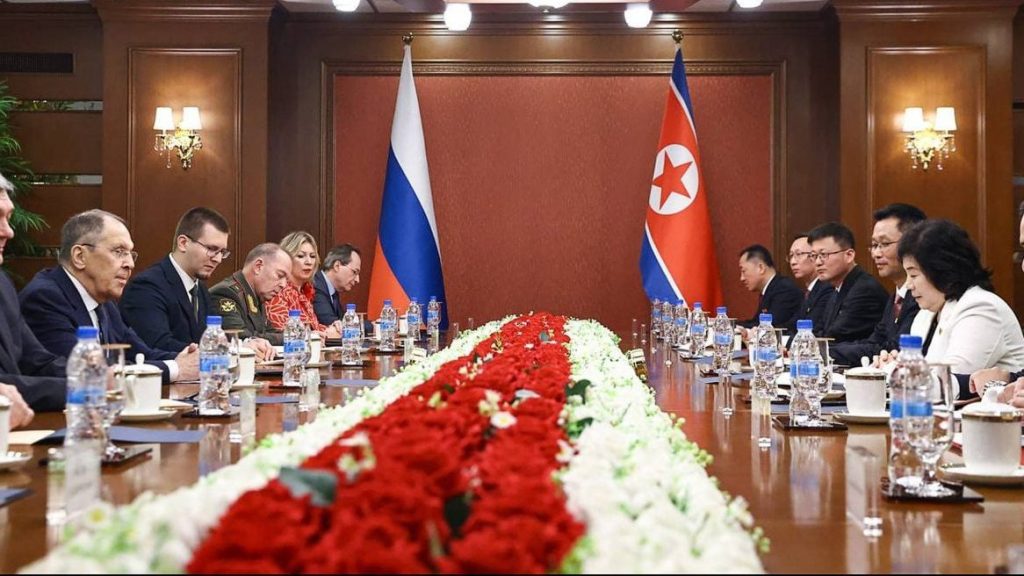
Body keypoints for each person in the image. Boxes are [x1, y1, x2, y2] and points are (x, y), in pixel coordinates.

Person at [19, 210, 199, 384]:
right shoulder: (45, 298)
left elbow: (141, 354)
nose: (130, 264)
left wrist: (186, 359)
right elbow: (87, 372)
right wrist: (175, 368)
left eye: (130, 254)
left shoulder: (104, 301)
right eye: (119, 251)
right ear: (80, 256)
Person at [119, 208, 275, 361]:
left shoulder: (199, 288)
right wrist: (233, 350)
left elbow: (213, 336)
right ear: (183, 243)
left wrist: (245, 344)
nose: (218, 259)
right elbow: (159, 344)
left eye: (222, 252)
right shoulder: (147, 286)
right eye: (212, 249)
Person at [896, 219, 1024, 398]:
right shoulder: (926, 314)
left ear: (942, 270)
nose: (908, 285)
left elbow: (950, 381)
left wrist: (897, 373)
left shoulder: (981, 307)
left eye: (913, 275)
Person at [0, 173, 65, 416]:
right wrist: (83, 388)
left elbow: (37, 362)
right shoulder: (46, 294)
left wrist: (96, 377)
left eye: (8, 218)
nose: (9, 232)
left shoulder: (3, 284)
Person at [830, 204, 926, 366]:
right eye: (874, 245)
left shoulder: (922, 297)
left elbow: (893, 348)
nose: (876, 254)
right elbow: (874, 343)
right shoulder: (895, 297)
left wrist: (824, 351)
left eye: (884, 244)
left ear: (912, 244)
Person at [807, 222, 888, 343]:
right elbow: (820, 330)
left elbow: (835, 337)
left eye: (824, 254)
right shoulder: (836, 287)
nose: (818, 262)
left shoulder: (864, 290)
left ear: (849, 255)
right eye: (814, 256)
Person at [210, 243, 291, 345]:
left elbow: (270, 332)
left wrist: (294, 336)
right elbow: (240, 337)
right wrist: (289, 337)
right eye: (280, 275)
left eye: (287, 280)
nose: (283, 285)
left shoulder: (257, 295)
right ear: (258, 267)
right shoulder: (226, 293)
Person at [265, 232, 341, 338]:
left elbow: (314, 328)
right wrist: (326, 334)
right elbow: (281, 333)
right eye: (301, 256)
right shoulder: (278, 290)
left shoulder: (305, 292)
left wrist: (333, 328)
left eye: (313, 256)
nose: (309, 262)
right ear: (286, 259)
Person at [736, 244, 803, 329]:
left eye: (743, 271)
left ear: (761, 268)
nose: (742, 278)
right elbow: (756, 322)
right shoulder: (769, 289)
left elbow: (769, 326)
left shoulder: (784, 289)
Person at [788, 234, 831, 334]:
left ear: (814, 256)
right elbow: (793, 325)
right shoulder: (809, 292)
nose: (793, 262)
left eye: (798, 254)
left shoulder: (826, 288)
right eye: (791, 256)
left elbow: (812, 329)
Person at [313, 243, 362, 326]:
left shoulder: (332, 291)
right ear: (337, 266)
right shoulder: (317, 286)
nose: (357, 280)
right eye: (354, 272)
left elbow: (342, 320)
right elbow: (331, 322)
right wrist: (374, 325)